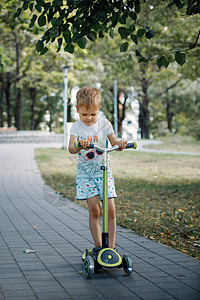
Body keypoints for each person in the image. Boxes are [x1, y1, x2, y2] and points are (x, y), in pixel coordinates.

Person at [68, 86, 127, 255]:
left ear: (98, 109)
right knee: (95, 210)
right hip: (86, 175)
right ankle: (99, 246)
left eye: (93, 114)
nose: (89, 118)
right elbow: (71, 148)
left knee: (111, 210)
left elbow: (114, 141)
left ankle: (111, 248)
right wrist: (79, 144)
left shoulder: (105, 124)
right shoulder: (76, 128)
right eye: (84, 114)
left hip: (104, 173)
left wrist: (120, 144)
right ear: (78, 110)